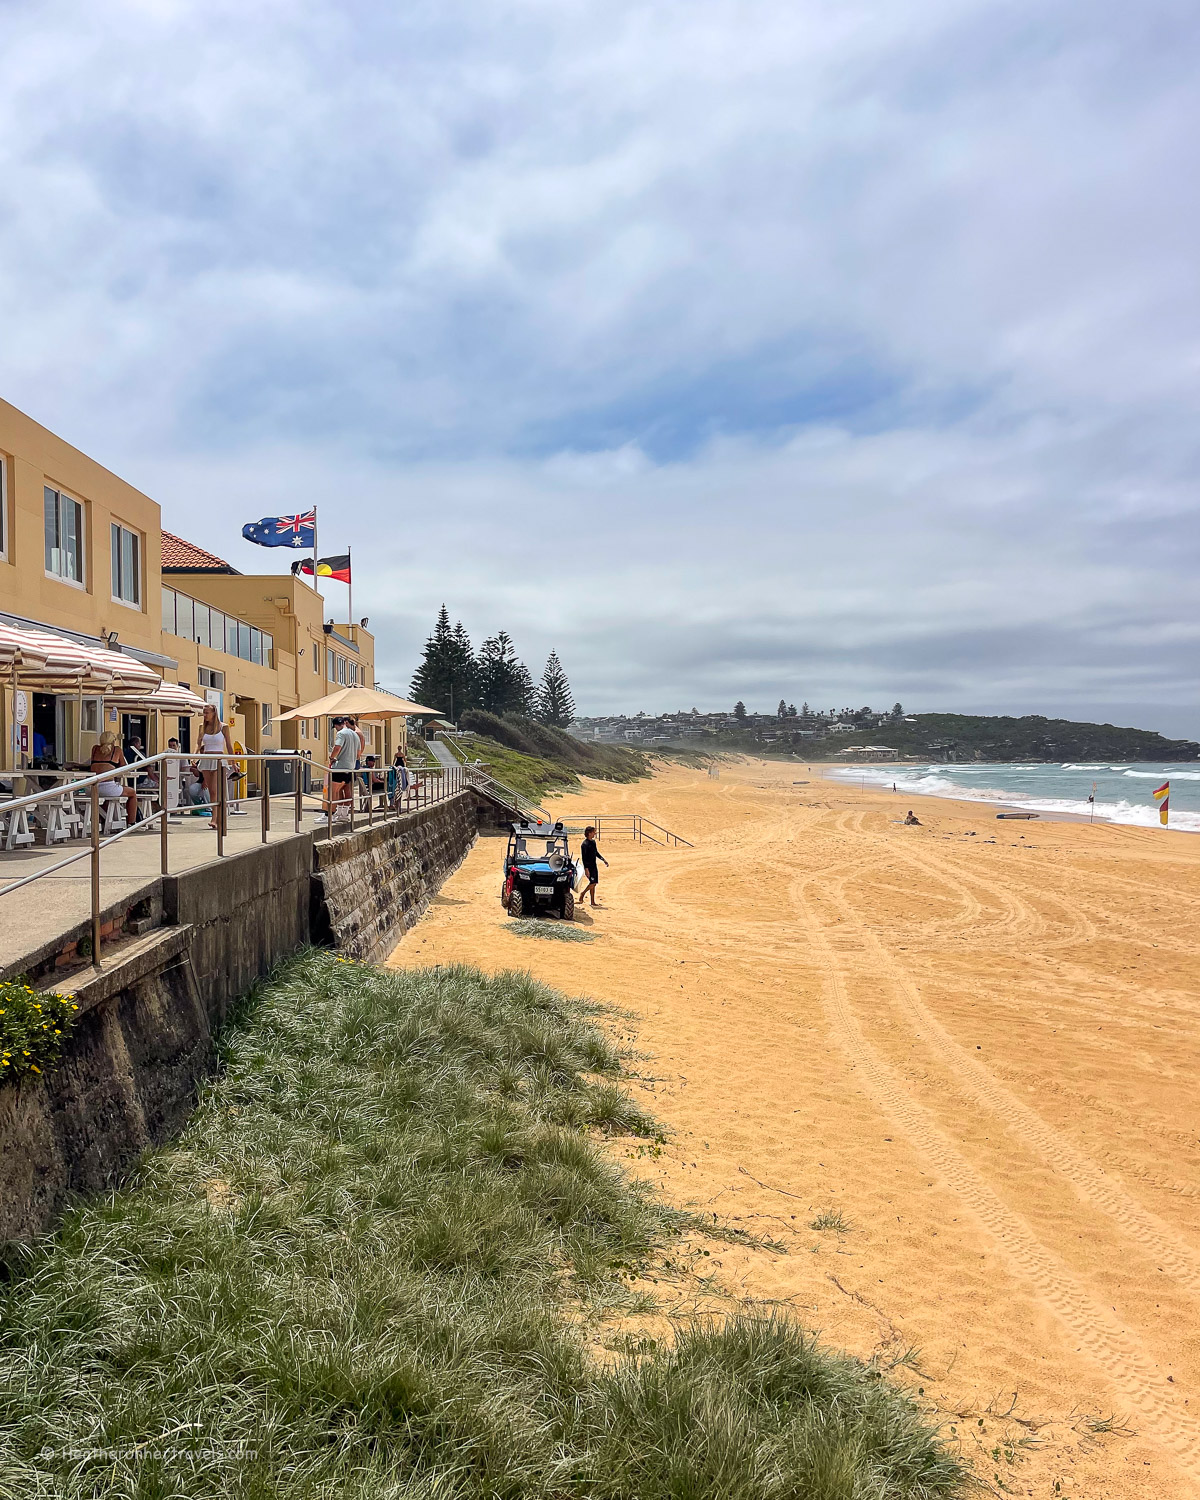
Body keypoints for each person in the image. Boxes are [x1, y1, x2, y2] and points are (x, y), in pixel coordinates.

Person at [197, 705, 234, 830]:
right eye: (204, 712)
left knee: (215, 790)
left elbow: (229, 745)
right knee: (211, 790)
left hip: (219, 759)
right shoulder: (202, 727)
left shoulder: (223, 727)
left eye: (207, 712)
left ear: (214, 713)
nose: (205, 715)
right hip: (206, 759)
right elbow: (198, 744)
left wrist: (233, 762)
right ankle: (217, 818)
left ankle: (215, 819)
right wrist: (194, 756)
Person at [89, 732, 138, 828]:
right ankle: (131, 823)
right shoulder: (117, 750)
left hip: (92, 787)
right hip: (108, 787)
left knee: (104, 797)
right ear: (113, 741)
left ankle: (104, 820)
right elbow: (124, 767)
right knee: (132, 793)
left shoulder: (95, 749)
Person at [328, 716, 359, 823]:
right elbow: (359, 753)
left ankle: (331, 814)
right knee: (347, 792)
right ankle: (343, 814)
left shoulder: (341, 733)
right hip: (351, 767)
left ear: (337, 725)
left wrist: (332, 758)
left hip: (340, 767)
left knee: (334, 792)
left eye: (335, 727)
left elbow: (337, 747)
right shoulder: (355, 734)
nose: (336, 729)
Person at [577, 825, 608, 907]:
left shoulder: (593, 842)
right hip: (589, 867)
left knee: (593, 883)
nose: (595, 833)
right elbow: (584, 858)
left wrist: (603, 859)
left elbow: (596, 853)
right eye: (594, 832)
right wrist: (586, 869)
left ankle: (592, 901)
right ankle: (582, 894)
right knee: (593, 883)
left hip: (594, 865)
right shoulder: (584, 844)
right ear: (589, 833)